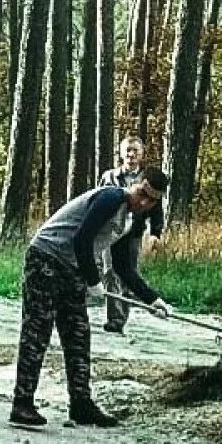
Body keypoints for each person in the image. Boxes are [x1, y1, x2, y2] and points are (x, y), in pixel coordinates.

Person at [11, 169, 172, 430]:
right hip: (46, 258)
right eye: (142, 193)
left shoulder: (130, 221)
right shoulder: (110, 198)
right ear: (134, 185)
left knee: (77, 335)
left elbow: (123, 267)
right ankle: (22, 403)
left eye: (152, 200)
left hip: (72, 268)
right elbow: (82, 240)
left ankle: (81, 405)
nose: (144, 202)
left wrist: (153, 300)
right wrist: (94, 280)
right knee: (37, 332)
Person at [99, 135, 165, 334]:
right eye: (127, 150)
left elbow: (156, 210)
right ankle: (114, 319)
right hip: (110, 232)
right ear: (120, 153)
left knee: (129, 272)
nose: (131, 154)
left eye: (135, 150)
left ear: (142, 154)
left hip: (133, 234)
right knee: (109, 273)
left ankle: (123, 316)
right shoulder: (109, 176)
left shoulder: (147, 180)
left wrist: (155, 232)